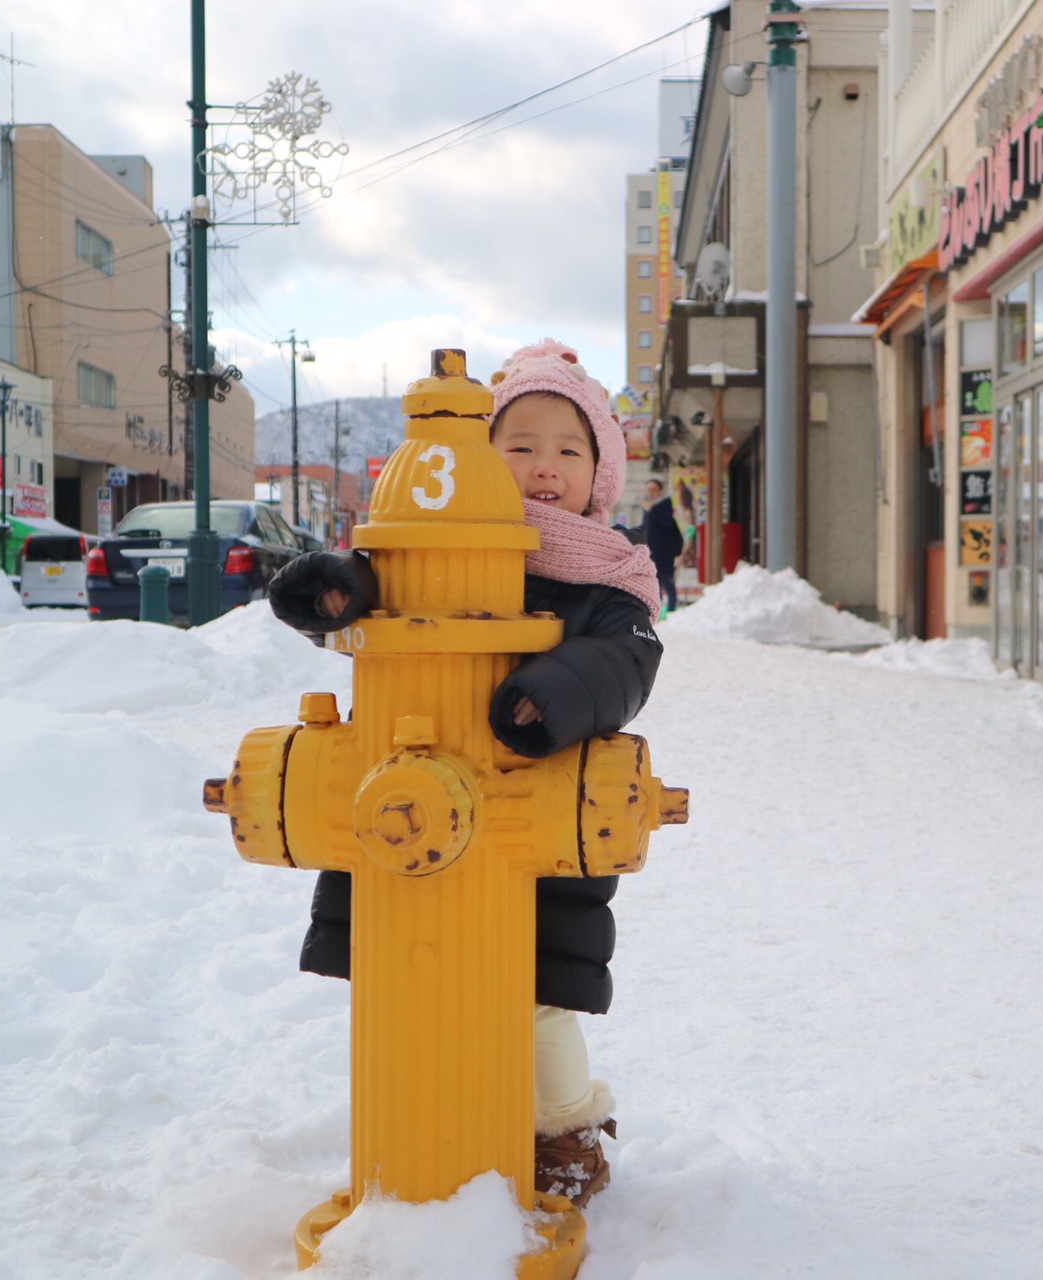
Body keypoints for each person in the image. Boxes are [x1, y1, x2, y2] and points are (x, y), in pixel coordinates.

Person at [267, 338, 663, 1208]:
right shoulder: (428, 542)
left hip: (533, 829)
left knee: (538, 1004)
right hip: (410, 821)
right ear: (481, 459)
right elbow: (362, 593)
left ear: (600, 471)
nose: (544, 467)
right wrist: (323, 592)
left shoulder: (607, 580)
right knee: (406, 987)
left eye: (569, 449)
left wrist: (550, 697)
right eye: (518, 445)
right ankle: (420, 1132)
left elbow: (624, 663)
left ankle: (565, 1130)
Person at [639, 478, 684, 616]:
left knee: (667, 580)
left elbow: (665, 524)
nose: (650, 493)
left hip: (664, 551)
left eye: (653, 489)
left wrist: (651, 509)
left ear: (660, 491)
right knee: (654, 581)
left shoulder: (664, 505)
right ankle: (656, 610)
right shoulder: (648, 507)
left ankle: (671, 610)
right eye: (648, 490)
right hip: (652, 551)